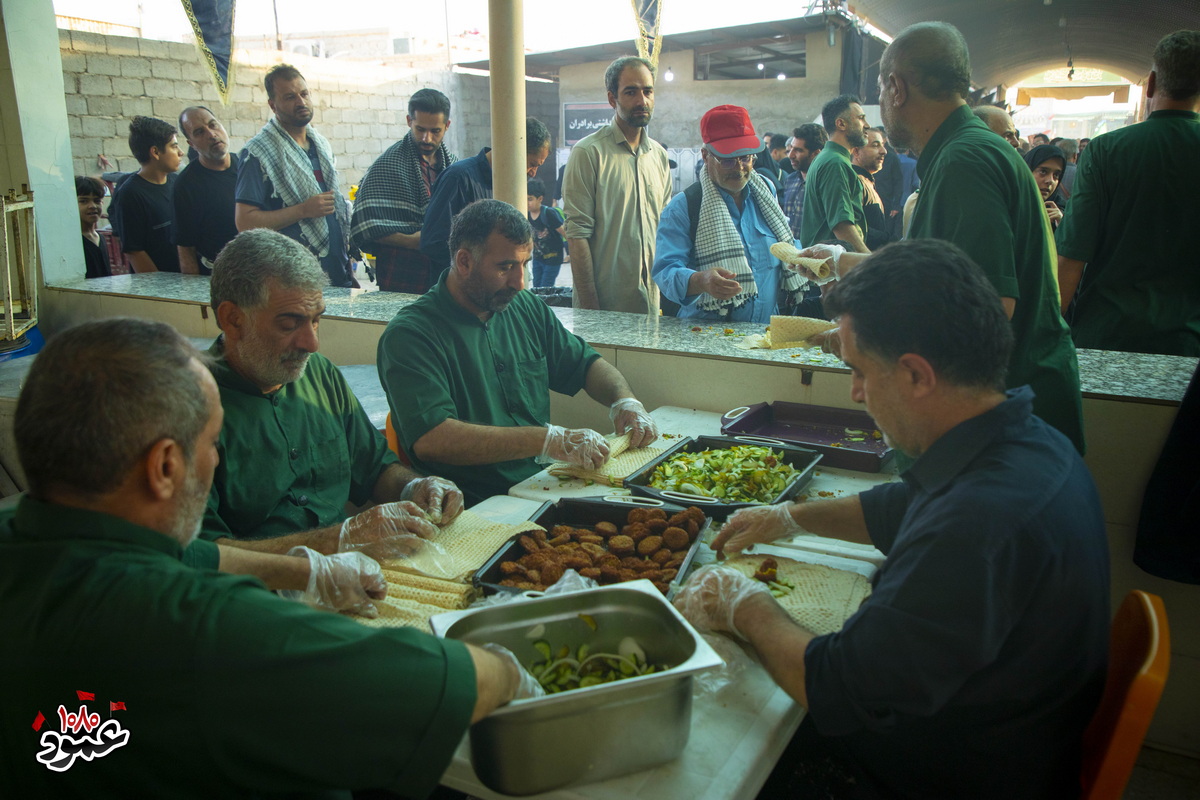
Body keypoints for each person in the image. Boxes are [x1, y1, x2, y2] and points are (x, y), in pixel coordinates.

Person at [0, 317, 530, 797]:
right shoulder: (210, 629)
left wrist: (309, 571)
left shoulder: (30, 534)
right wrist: (508, 665)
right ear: (164, 467)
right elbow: (456, 684)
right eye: (212, 443)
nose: (215, 459)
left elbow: (197, 556)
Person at [674, 239, 1110, 800]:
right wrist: (788, 517)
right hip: (996, 731)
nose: (856, 393)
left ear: (916, 375)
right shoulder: (1028, 441)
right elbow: (902, 506)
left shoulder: (976, 527)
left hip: (944, 777)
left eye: (859, 371)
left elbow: (835, 686)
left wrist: (743, 604)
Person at [807, 21, 1085, 453]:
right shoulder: (962, 152)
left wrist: (865, 343)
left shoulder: (964, 161)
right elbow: (938, 271)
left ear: (896, 88)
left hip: (1003, 419)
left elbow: (987, 305)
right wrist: (839, 261)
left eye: (880, 90)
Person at [198, 228, 464, 560]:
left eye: (315, 321)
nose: (312, 344)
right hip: (255, 587)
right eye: (289, 324)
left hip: (352, 569)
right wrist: (336, 541)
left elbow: (375, 469)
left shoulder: (320, 374)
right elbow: (197, 555)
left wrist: (415, 487)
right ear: (233, 319)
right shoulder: (189, 406)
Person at [379, 199, 658, 505]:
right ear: (464, 262)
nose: (520, 282)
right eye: (505, 267)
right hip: (471, 503)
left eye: (524, 264)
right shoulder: (411, 335)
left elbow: (585, 364)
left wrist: (625, 401)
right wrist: (548, 441)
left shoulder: (524, 307)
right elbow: (433, 439)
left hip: (542, 486)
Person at [1056, 29, 1200, 356]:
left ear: (1151, 83)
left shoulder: (1106, 150)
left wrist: (1045, 336)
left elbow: (1072, 254)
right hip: (1190, 342)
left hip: (1108, 334)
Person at [653, 105, 808, 323]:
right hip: (706, 334)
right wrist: (700, 280)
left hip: (764, 332)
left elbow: (786, 246)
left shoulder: (766, 192)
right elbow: (665, 272)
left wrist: (804, 258)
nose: (739, 168)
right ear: (706, 156)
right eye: (727, 160)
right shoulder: (684, 207)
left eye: (745, 158)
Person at [563, 56, 672, 313]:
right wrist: (592, 313)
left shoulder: (658, 156)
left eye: (648, 91)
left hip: (653, 306)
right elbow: (577, 236)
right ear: (612, 99)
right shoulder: (588, 153)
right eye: (631, 92)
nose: (642, 101)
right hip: (606, 308)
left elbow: (666, 230)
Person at [236, 64, 356, 287]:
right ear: (273, 105)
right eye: (290, 97)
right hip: (290, 279)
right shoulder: (258, 153)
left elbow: (332, 213)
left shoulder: (320, 144)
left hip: (336, 272)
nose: (301, 102)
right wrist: (303, 210)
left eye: (304, 94)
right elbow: (245, 222)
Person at [350, 88, 456, 294]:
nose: (426, 138)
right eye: (420, 129)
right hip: (400, 273)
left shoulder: (454, 167)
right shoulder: (387, 165)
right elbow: (367, 228)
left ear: (447, 126)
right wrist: (413, 241)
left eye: (435, 131)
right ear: (409, 121)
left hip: (444, 273)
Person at [420, 117, 551, 276]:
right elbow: (433, 243)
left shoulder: (512, 186)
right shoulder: (458, 178)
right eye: (532, 164)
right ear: (511, 149)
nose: (533, 173)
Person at [109, 115, 182, 273]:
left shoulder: (176, 182)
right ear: (155, 152)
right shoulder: (130, 194)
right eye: (174, 147)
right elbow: (135, 251)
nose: (180, 153)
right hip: (162, 283)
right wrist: (159, 286)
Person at [173, 106, 238, 276]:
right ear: (191, 144)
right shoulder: (186, 185)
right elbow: (185, 246)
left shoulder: (247, 166)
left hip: (260, 268)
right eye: (199, 132)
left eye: (213, 125)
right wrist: (193, 290)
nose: (211, 134)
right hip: (219, 275)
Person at [801, 94, 871, 252]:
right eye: (861, 118)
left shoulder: (829, 158)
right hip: (833, 264)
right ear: (841, 124)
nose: (867, 125)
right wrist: (869, 260)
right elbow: (841, 225)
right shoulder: (835, 162)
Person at [851, 127, 895, 250]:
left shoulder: (866, 180)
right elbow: (851, 227)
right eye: (875, 145)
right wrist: (887, 239)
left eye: (883, 145)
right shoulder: (854, 181)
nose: (883, 151)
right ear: (856, 151)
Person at [782, 123, 827, 238]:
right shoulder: (790, 180)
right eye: (791, 149)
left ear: (816, 153)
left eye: (798, 150)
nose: (791, 155)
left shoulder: (824, 182)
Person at [527, 178, 566, 287]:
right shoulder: (527, 214)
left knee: (546, 287)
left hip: (553, 259)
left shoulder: (548, 213)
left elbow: (564, 233)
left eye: (530, 199)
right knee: (536, 286)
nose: (527, 203)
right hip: (537, 259)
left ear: (540, 199)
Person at [1023, 144, 1067, 229]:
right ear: (1027, 171)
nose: (1050, 181)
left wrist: (1062, 226)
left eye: (1056, 175)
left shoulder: (1063, 211)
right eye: (1043, 172)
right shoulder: (1009, 205)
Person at [76, 175, 111, 278]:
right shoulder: (72, 242)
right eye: (84, 201)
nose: (92, 206)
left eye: (97, 201)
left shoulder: (100, 238)